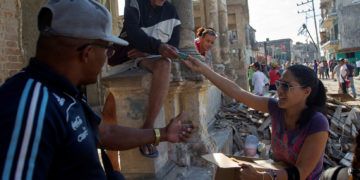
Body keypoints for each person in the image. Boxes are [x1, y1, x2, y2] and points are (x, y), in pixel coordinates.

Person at [0, 1, 193, 179]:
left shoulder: (64, 94)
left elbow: (105, 133)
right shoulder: (30, 108)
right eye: (108, 49)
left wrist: (163, 133)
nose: (108, 56)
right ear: (88, 53)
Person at [182, 56, 329, 179]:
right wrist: (203, 69)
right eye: (279, 84)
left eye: (286, 86)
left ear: (306, 92)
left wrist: (263, 176)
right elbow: (237, 92)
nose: (279, 91)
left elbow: (300, 173)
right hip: (277, 171)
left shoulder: (317, 123)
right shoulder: (276, 108)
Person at [112, 0, 181, 158]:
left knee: (165, 64)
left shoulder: (172, 11)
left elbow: (174, 46)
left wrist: (150, 50)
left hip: (151, 56)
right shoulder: (134, 2)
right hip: (128, 57)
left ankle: (147, 128)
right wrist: (157, 47)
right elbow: (133, 32)